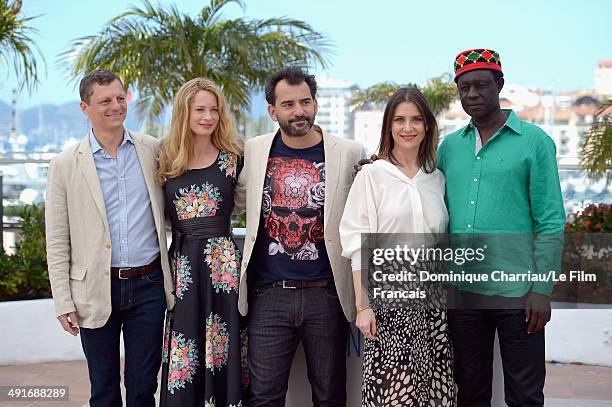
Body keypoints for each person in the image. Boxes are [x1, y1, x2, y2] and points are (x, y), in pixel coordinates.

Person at [439, 48, 565, 407]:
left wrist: (542, 289)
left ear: (500, 84)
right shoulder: (449, 147)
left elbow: (551, 220)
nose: (472, 94)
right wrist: (371, 167)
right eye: (464, 88)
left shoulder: (534, 142)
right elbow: (417, 181)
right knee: (471, 392)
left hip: (518, 294)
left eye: (480, 85)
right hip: (463, 293)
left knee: (525, 395)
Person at [234, 66, 365, 406]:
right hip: (268, 295)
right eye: (288, 104)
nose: (299, 111)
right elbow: (230, 199)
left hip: (327, 294)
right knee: (264, 396)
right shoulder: (255, 149)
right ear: (272, 111)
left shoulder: (348, 151)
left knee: (330, 394)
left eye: (305, 102)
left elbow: (366, 211)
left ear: (316, 104)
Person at [45, 69, 174, 407]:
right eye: (105, 101)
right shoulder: (64, 165)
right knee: (103, 388)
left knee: (144, 385)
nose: (116, 106)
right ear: (85, 107)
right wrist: (63, 301)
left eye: (120, 98)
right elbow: (57, 239)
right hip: (93, 289)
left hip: (148, 285)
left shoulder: (153, 150)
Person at [339, 87, 456, 406]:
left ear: (428, 126)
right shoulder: (372, 176)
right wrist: (363, 307)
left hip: (434, 301)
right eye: (400, 120)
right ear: (388, 126)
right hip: (389, 300)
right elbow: (357, 244)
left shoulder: (437, 179)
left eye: (416, 120)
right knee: (394, 392)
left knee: (433, 392)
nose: (408, 128)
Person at [155, 78, 247, 406]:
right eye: (200, 110)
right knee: (185, 347)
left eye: (214, 109)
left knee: (222, 345)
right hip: (182, 268)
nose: (208, 117)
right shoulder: (164, 159)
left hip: (223, 269)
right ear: (184, 113)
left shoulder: (235, 157)